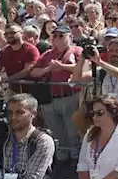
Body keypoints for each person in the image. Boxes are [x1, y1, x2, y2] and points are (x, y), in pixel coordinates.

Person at [29, 26, 84, 160]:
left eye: (61, 36)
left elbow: (82, 68)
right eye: (55, 36)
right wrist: (48, 69)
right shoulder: (48, 54)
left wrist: (61, 67)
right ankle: (61, 158)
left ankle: (75, 158)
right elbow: (33, 72)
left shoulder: (77, 50)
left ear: (70, 37)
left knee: (72, 130)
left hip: (70, 96)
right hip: (51, 98)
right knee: (56, 131)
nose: (58, 39)